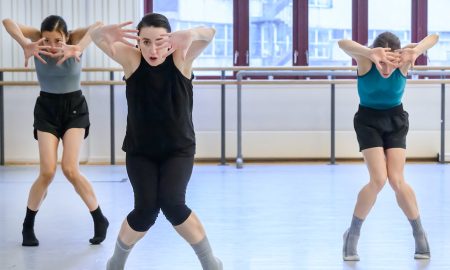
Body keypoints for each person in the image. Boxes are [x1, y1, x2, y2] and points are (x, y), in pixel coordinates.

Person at [90, 13, 222, 270]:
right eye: (146, 41)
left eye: (160, 41)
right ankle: (116, 263)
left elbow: (211, 33)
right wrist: (103, 32)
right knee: (145, 211)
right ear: (138, 42)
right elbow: (95, 38)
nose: (153, 49)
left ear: (171, 41)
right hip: (141, 151)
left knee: (173, 204)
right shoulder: (132, 60)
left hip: (178, 150)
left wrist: (192, 34)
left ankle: (211, 264)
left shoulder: (181, 58)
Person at [2, 15, 109, 246]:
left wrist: (77, 48)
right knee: (47, 172)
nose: (51, 46)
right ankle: (27, 226)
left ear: (66, 37)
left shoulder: (73, 42)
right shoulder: (37, 44)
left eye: (57, 40)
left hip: (74, 109)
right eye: (46, 39)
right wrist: (24, 43)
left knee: (70, 169)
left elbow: (97, 25)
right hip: (47, 109)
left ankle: (99, 219)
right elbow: (8, 21)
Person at [338, 32, 439, 260]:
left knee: (397, 180)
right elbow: (342, 43)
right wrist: (369, 52)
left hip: (395, 119)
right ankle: (352, 235)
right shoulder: (366, 61)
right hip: (368, 121)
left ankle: (419, 233)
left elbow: (434, 37)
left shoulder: (404, 59)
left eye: (390, 63)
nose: (385, 68)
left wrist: (416, 50)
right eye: (382, 62)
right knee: (378, 180)